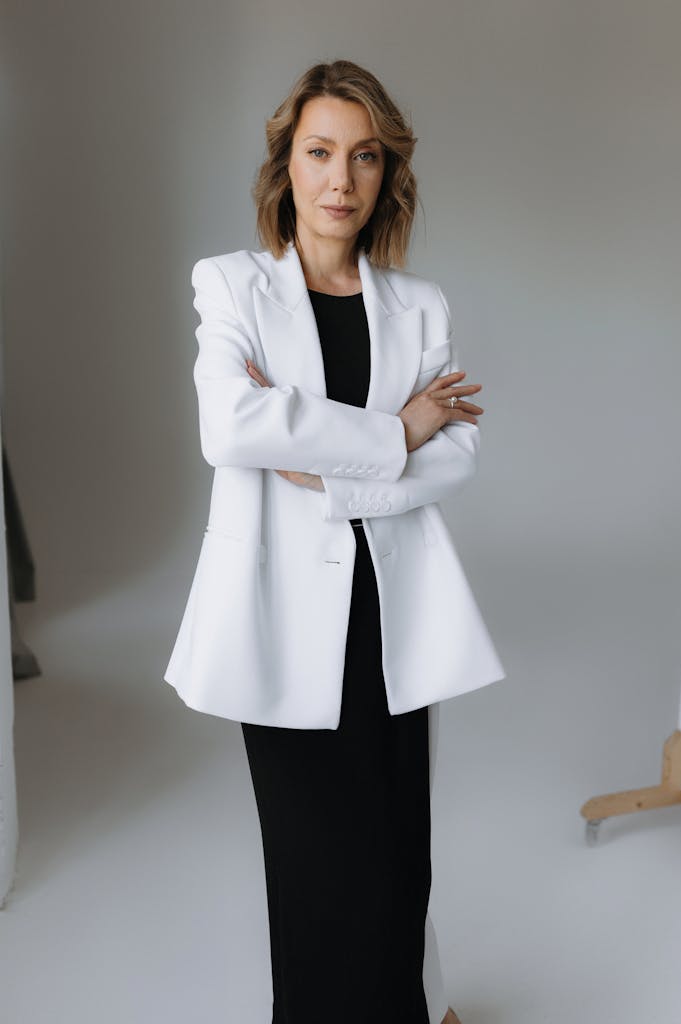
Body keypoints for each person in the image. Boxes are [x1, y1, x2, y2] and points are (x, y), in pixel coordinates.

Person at [164, 58, 505, 1024]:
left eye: (362, 157)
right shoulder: (231, 286)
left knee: (399, 851)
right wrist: (396, 432)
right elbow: (229, 429)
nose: (339, 180)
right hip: (276, 612)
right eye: (319, 152)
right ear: (287, 165)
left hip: (392, 615)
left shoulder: (421, 304)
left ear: (385, 173)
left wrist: (326, 458)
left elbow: (462, 461)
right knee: (315, 861)